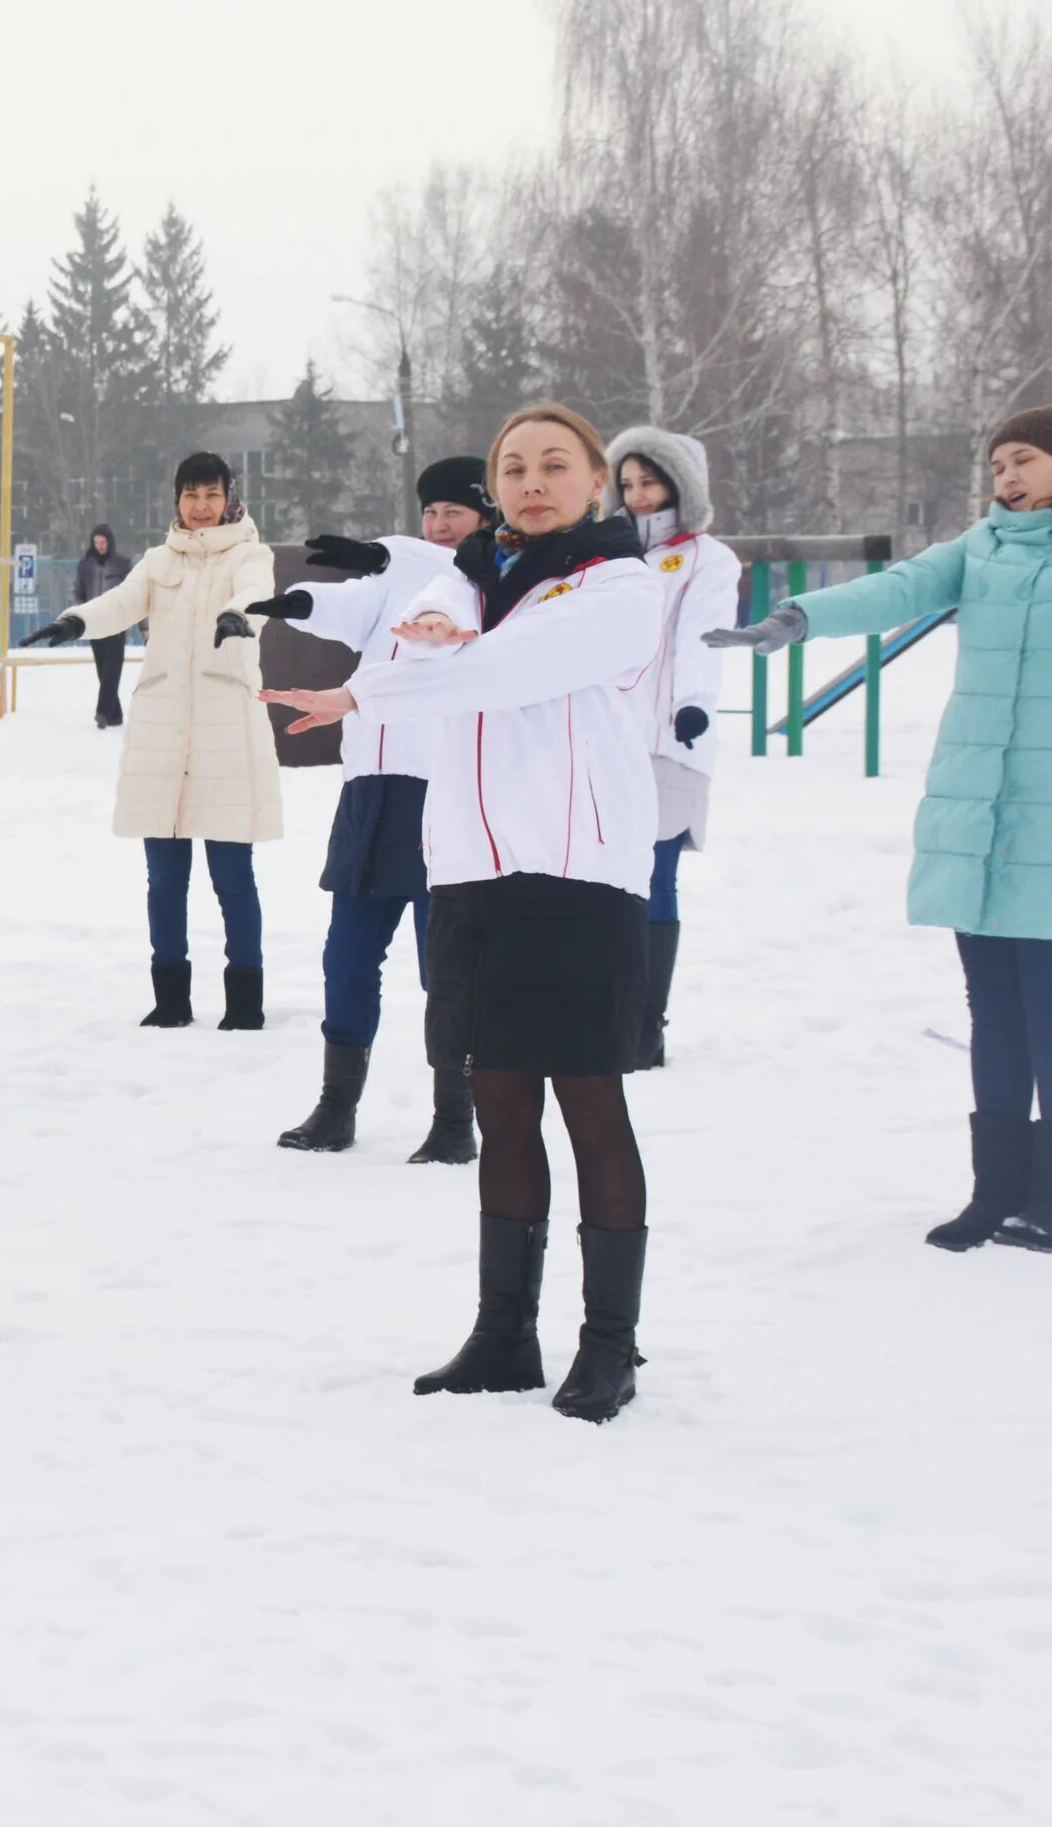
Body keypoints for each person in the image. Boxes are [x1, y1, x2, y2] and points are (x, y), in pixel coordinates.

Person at [264, 405, 665, 1423]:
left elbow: (509, 666)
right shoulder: (475, 572)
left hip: (578, 875)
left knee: (589, 1108)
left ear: (598, 479)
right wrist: (433, 626)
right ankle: (503, 1334)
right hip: (473, 872)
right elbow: (438, 608)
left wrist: (372, 693)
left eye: (555, 466)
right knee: (499, 1104)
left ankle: (609, 1344)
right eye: (515, 467)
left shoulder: (620, 587)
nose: (533, 482)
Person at [711, 402, 1052, 1254]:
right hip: (977, 805)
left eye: (1022, 460)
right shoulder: (983, 548)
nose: (1006, 478)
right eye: (997, 466)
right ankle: (994, 1192)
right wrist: (799, 619)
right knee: (991, 1004)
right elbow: (899, 586)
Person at [227, 455, 494, 1161]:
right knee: (346, 958)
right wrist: (300, 605)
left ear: (485, 517)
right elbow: (356, 605)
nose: (440, 523)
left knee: (448, 971)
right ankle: (336, 1106)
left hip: (446, 796)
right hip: (369, 791)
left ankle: (453, 1119)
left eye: (455, 512)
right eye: (430, 511)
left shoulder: (489, 578)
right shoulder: (401, 569)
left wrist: (396, 559)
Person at [24, 453, 284, 1030]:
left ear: (228, 497)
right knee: (164, 881)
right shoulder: (157, 561)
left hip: (224, 734)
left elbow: (255, 592)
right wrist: (74, 621)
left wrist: (241, 616)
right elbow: (119, 604)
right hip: (164, 733)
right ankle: (171, 999)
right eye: (190, 495)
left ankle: (245, 1001)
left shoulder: (248, 553)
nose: (201, 506)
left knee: (232, 877)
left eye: (211, 495)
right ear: (177, 501)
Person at [608, 426, 741, 1070]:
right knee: (608, 881)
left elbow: (702, 636)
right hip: (607, 739)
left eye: (649, 482)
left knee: (656, 877)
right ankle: (609, 1010)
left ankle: (644, 1025)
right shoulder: (607, 552)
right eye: (627, 483)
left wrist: (693, 702)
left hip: (668, 737)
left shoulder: (707, 558)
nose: (636, 496)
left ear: (680, 486)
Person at [73, 522, 137, 727]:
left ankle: (102, 711)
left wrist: (144, 627)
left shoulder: (123, 564)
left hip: (116, 623)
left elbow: (135, 594)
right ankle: (115, 715)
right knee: (103, 668)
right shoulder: (85, 565)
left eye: (103, 541)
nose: (100, 545)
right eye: (96, 542)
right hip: (94, 623)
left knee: (113, 668)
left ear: (110, 542)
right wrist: (81, 616)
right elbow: (77, 592)